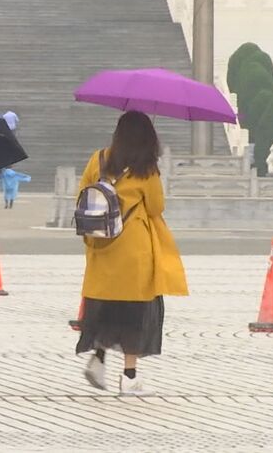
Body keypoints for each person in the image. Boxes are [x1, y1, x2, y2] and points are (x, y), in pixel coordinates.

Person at [77, 111, 189, 396]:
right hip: (133, 249)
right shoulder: (145, 168)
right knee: (134, 314)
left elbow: (83, 193)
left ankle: (99, 358)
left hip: (102, 246)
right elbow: (156, 207)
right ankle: (129, 377)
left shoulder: (98, 159)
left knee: (106, 306)